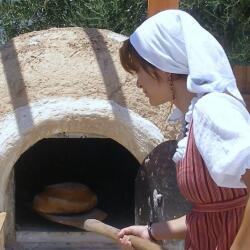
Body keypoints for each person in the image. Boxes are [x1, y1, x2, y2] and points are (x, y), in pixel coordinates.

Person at [117, 10, 250, 250]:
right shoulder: (194, 118)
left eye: (138, 70)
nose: (137, 82)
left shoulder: (213, 109)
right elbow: (211, 214)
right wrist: (152, 232)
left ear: (163, 66)